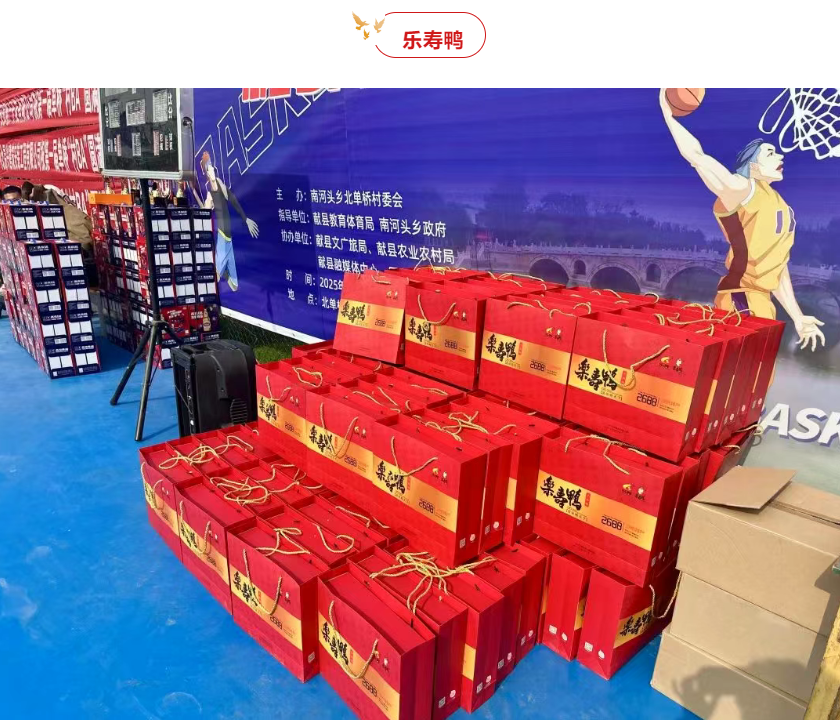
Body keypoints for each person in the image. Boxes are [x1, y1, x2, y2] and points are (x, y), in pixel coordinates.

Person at [660, 88, 825, 351]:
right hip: (741, 297)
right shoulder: (742, 189)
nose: (780, 156)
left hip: (760, 299)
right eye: (770, 153)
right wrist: (669, 116)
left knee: (753, 370)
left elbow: (776, 269)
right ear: (753, 167)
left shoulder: (780, 206)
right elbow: (698, 157)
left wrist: (797, 316)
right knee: (735, 368)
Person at [191, 151, 259, 292]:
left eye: (210, 170)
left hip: (228, 238)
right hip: (223, 236)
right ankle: (209, 284)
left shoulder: (219, 185)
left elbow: (233, 199)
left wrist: (245, 219)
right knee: (216, 276)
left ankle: (224, 271)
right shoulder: (212, 191)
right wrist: (195, 192)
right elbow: (205, 211)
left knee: (234, 286)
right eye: (208, 171)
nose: (210, 173)